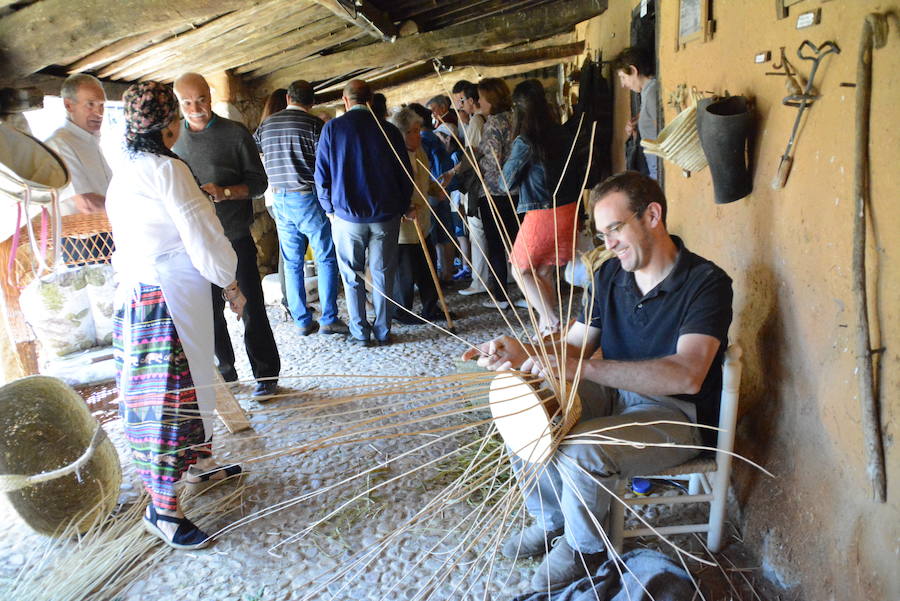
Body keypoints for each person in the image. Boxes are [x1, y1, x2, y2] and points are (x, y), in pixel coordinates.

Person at [462, 171, 733, 590]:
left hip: (676, 415)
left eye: (616, 229)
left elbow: (688, 374)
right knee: (526, 404)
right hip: (616, 396)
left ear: (653, 216)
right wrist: (525, 354)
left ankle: (584, 550)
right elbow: (575, 348)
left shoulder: (706, 283)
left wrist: (585, 369)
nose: (607, 244)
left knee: (581, 450)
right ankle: (552, 520)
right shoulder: (610, 276)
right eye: (602, 233)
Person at [107, 81, 247, 550]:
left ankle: (197, 465)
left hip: (140, 295)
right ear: (169, 124)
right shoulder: (166, 168)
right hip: (165, 297)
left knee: (190, 385)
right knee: (171, 399)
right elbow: (201, 232)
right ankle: (163, 510)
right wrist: (229, 280)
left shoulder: (124, 166)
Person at [172, 72, 280, 400]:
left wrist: (227, 192)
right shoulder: (173, 139)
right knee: (208, 313)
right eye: (187, 102)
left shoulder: (235, 134)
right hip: (195, 242)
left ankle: (266, 374)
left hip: (234, 237)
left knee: (250, 307)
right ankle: (226, 371)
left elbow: (260, 184)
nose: (195, 108)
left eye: (201, 99)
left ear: (211, 96)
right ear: (179, 103)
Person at [314, 80, 413, 346]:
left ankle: (360, 331)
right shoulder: (389, 130)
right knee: (383, 274)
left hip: (347, 215)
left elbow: (321, 173)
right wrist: (403, 206)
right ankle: (383, 331)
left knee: (352, 275)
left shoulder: (333, 129)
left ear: (345, 101)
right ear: (370, 100)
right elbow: (405, 173)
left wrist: (328, 208)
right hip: (385, 215)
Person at [254, 80, 347, 337]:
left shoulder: (266, 125)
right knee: (325, 256)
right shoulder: (315, 125)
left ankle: (301, 319)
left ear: (287, 98)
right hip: (307, 197)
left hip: (279, 199)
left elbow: (256, 152)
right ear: (312, 102)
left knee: (292, 260)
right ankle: (329, 317)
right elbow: (327, 164)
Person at [502, 80, 582, 339]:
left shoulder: (526, 141)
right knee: (544, 270)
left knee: (520, 268)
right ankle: (547, 329)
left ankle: (552, 320)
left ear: (519, 110)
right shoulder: (563, 134)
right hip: (570, 207)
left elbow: (506, 181)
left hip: (544, 210)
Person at [44, 73, 114, 262]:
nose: (99, 113)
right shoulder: (59, 144)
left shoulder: (90, 140)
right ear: (69, 105)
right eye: (90, 104)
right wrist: (129, 209)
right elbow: (86, 203)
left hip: (107, 233)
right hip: (84, 243)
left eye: (101, 105)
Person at [387, 107, 443, 324]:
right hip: (404, 225)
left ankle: (431, 307)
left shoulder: (419, 151)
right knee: (405, 273)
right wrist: (404, 208)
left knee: (428, 268)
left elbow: (425, 180)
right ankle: (402, 311)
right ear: (402, 133)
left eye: (418, 130)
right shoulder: (393, 155)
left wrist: (435, 189)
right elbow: (390, 189)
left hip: (423, 220)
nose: (418, 135)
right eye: (413, 131)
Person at [473, 77, 518, 310]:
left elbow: (493, 161)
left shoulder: (493, 124)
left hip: (494, 193)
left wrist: (474, 165)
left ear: (490, 99)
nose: (478, 101)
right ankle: (527, 291)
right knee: (518, 244)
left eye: (481, 97)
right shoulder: (516, 118)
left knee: (496, 245)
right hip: (518, 192)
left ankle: (501, 296)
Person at [449, 80, 490, 297]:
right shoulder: (475, 121)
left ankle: (480, 280)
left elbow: (472, 154)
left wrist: (452, 173)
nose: (459, 105)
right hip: (485, 186)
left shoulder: (477, 121)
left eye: (461, 100)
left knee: (478, 235)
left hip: (477, 187)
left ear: (472, 100)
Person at [408, 102, 455, 283]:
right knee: (446, 234)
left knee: (432, 237)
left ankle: (434, 278)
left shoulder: (421, 141)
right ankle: (448, 274)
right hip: (443, 188)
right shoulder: (435, 137)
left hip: (430, 191)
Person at [613, 47, 659, 181]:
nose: (623, 84)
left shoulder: (651, 93)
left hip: (659, 171)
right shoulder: (646, 92)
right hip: (654, 171)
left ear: (633, 71)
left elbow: (664, 132)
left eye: (623, 77)